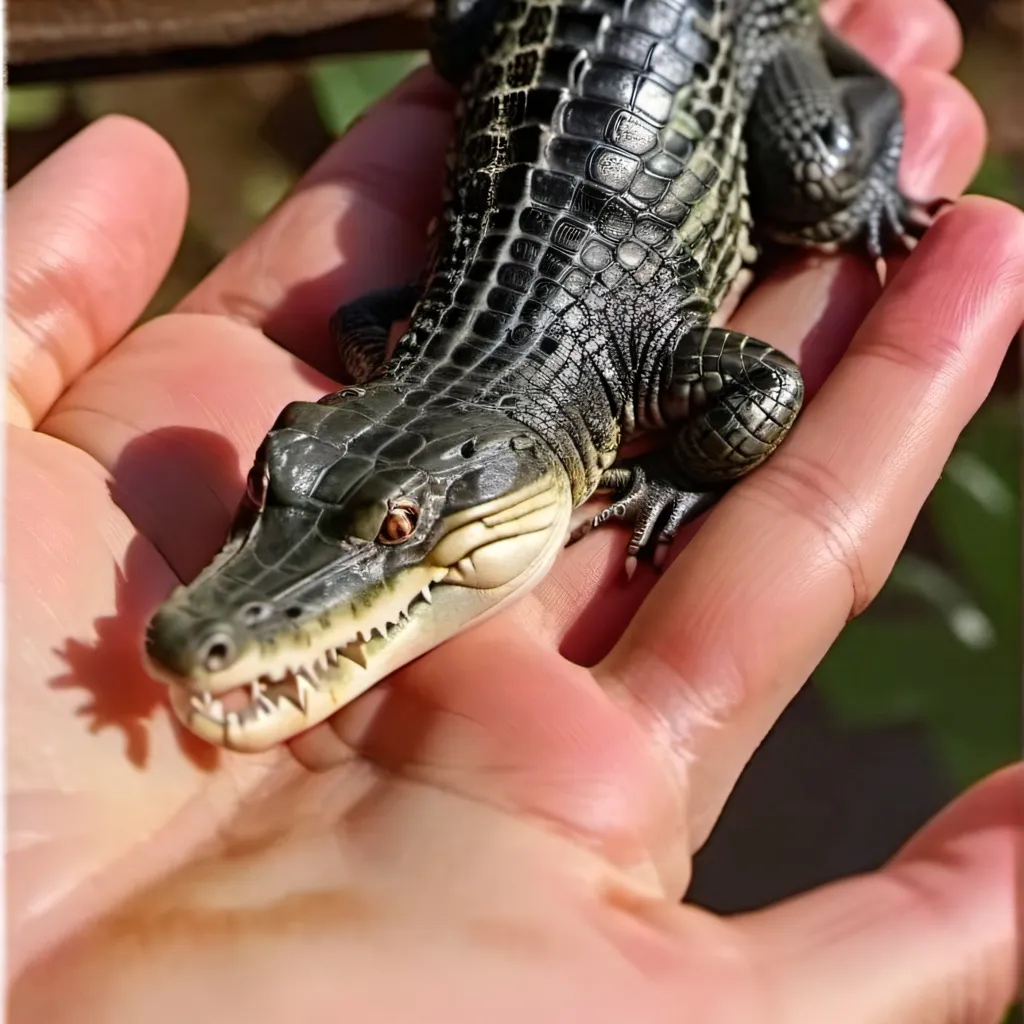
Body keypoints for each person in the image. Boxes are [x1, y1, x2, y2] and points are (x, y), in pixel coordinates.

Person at [6, 0, 1022, 1018]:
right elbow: (366, 323)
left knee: (826, 192)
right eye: (279, 482)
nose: (218, 622)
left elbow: (762, 385)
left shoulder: (622, 360)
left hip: (721, 28)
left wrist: (680, 479)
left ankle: (845, 91)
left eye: (398, 529)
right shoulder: (408, 344)